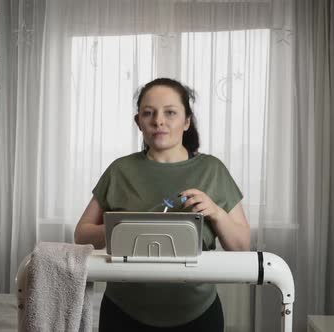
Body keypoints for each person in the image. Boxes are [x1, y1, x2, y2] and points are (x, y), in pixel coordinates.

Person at [74, 78, 251, 332]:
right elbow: (81, 235)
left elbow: (242, 246)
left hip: (198, 314)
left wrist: (216, 212)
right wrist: (123, 228)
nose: (158, 120)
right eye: (149, 113)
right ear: (139, 122)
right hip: (123, 313)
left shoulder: (213, 170)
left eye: (170, 112)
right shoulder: (119, 170)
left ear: (187, 121)